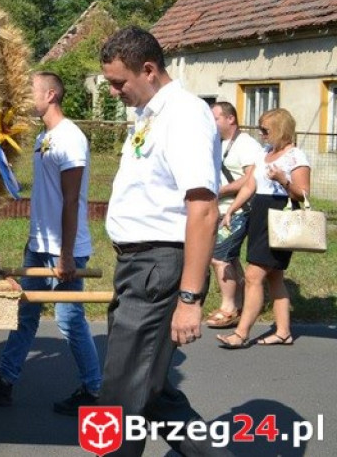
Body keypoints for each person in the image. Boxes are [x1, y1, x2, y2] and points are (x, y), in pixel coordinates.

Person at [99, 27, 234, 457]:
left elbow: (204, 208)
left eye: (119, 82)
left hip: (158, 266)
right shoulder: (152, 113)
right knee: (150, 392)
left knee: (119, 400)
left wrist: (191, 298)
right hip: (139, 265)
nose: (115, 91)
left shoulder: (185, 115)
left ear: (150, 69)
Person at [0, 72, 101, 416]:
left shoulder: (70, 138)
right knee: (24, 313)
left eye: (32, 92)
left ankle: (95, 390)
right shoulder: (45, 136)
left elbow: (71, 201)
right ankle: (5, 382)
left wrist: (66, 254)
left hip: (64, 248)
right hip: (39, 243)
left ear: (51, 94)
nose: (27, 98)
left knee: (70, 320)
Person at [217, 108, 310, 350]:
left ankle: (241, 333)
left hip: (281, 215)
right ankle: (283, 332)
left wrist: (283, 180)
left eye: (266, 129)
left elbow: (303, 193)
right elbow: (249, 185)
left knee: (253, 276)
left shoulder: (296, 156)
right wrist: (231, 209)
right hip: (260, 214)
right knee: (274, 276)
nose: (262, 134)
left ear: (280, 128)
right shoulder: (265, 153)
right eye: (260, 129)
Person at [203, 102, 259, 329]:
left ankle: (228, 307)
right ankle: (238, 304)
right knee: (230, 257)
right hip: (222, 209)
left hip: (238, 210)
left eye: (215, 118)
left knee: (219, 257)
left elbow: (251, 178)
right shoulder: (220, 143)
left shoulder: (246, 144)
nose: (212, 123)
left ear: (230, 119)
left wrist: (222, 191)